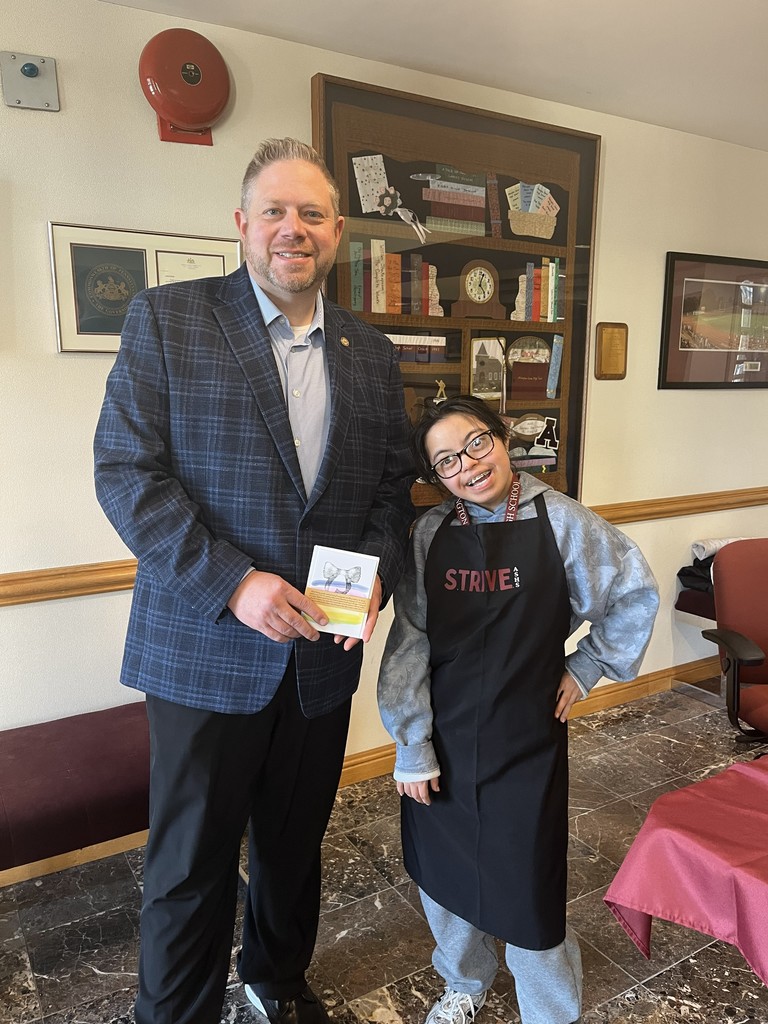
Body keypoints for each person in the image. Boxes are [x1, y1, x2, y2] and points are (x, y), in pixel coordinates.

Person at [94, 138, 415, 1024]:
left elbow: (391, 490)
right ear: (242, 225)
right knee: (190, 864)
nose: (292, 229)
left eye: (311, 213)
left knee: (292, 845)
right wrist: (235, 584)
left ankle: (276, 980)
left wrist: (376, 575)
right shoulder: (168, 320)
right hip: (203, 648)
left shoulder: (372, 354)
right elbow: (127, 475)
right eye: (274, 210)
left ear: (337, 232)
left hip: (319, 654)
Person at [377, 395, 659, 1024]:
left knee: (528, 885)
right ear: (436, 475)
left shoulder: (562, 522)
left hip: (526, 737)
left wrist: (585, 668)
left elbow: (634, 592)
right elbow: (410, 644)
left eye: (477, 443)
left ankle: (549, 1012)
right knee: (444, 877)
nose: (468, 466)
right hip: (441, 737)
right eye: (446, 461)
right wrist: (411, 745)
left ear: (502, 439)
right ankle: (464, 982)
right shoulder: (428, 535)